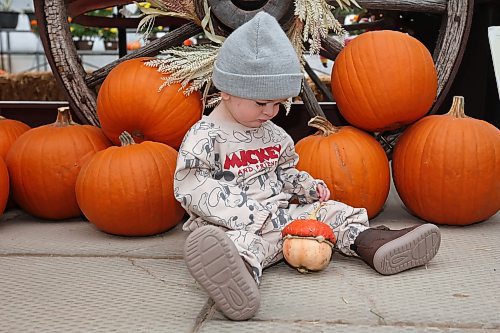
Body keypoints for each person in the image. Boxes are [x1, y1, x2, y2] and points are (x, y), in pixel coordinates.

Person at [173, 11, 441, 321]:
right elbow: (192, 184)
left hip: (284, 216)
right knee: (240, 245)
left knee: (332, 213)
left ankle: (372, 244)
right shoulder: (206, 136)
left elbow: (284, 172)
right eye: (262, 103)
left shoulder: (273, 134)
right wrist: (249, 215)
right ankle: (236, 276)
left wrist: (305, 187)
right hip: (233, 223)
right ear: (227, 91)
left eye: (278, 103)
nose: (271, 112)